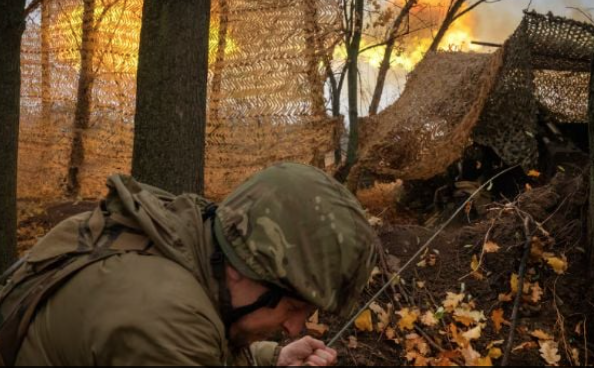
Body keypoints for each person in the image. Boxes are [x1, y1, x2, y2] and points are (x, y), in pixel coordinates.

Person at [0, 163, 378, 366]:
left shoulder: (179, 234)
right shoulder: (164, 314)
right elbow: (180, 339)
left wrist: (271, 358)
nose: (296, 328)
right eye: (294, 307)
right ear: (240, 266)